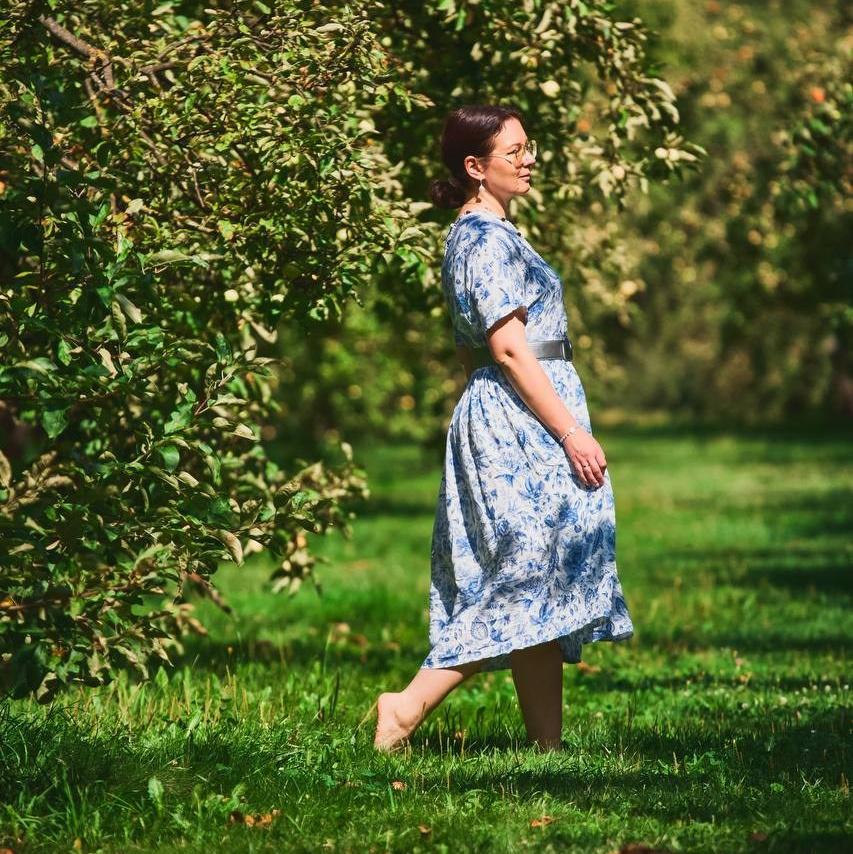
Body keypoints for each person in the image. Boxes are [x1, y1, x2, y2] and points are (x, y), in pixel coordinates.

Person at [373, 105, 633, 752]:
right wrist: (570, 432)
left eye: (528, 146)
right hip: (520, 420)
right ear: (474, 167)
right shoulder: (483, 241)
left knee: (539, 574)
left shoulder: (488, 236)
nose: (528, 159)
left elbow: (477, 353)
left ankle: (547, 747)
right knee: (521, 574)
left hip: (514, 409)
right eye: (512, 151)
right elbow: (509, 349)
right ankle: (404, 708)